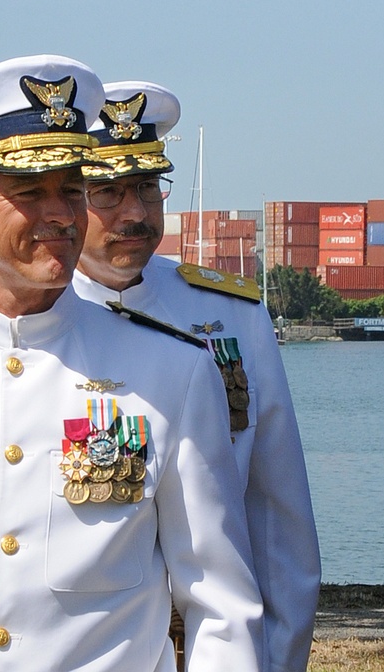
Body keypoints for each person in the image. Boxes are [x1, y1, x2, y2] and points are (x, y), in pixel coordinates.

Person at [0, 56, 263, 671]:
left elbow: (220, 606)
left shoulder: (170, 371)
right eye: (31, 191)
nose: (62, 213)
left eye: (71, 188)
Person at [72, 81, 320, 672]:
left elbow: (278, 514)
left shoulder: (232, 315)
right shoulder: (37, 324)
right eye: (107, 192)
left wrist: (279, 660)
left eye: (147, 187)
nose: (134, 212)